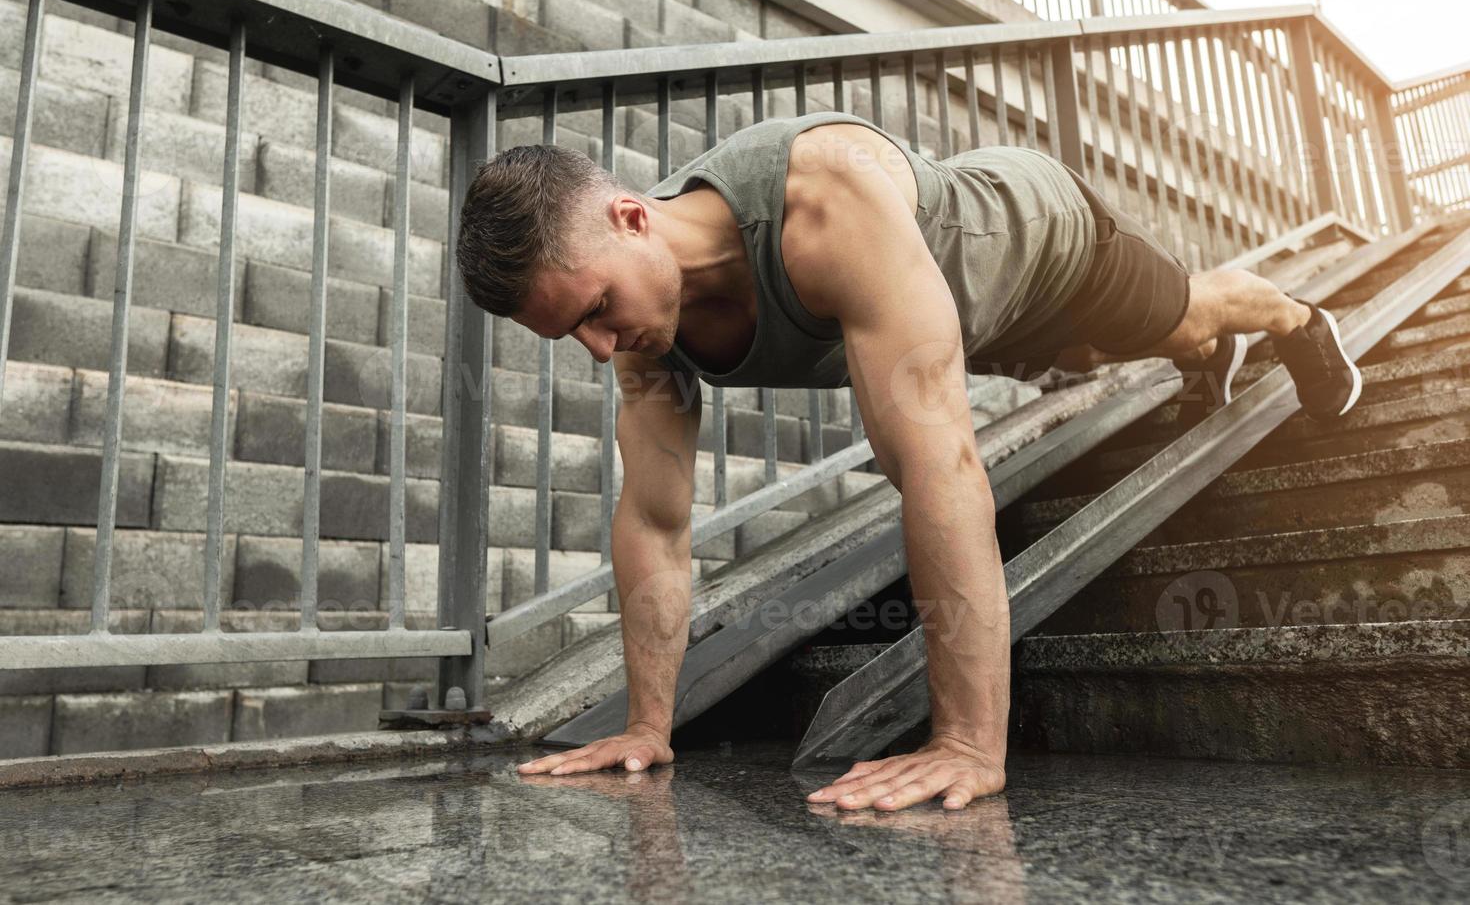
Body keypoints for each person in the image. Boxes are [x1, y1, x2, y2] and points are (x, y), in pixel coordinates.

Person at [454, 109, 1362, 813]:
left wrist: (968, 742)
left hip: (1038, 245)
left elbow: (939, 465)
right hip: (966, 323)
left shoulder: (822, 203)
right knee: (1090, 361)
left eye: (598, 309)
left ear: (629, 218)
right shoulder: (647, 329)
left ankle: (1282, 315)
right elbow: (656, 519)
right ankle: (1201, 355)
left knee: (1176, 318)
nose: (601, 348)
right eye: (573, 330)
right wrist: (647, 727)